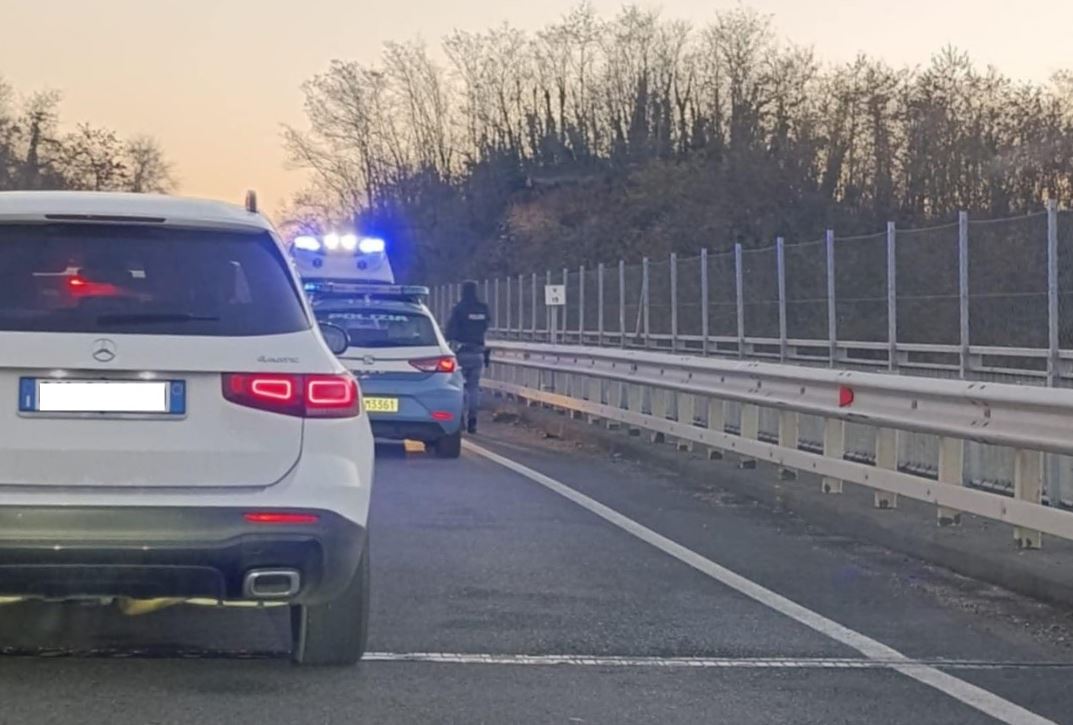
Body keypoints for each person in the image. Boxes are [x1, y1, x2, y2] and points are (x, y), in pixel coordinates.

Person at [446, 280, 491, 434]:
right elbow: (486, 326)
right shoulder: (483, 308)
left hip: (461, 352)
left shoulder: (459, 308)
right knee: (473, 388)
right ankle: (473, 421)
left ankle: (460, 420)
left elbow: (449, 331)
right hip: (478, 352)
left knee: (459, 387)